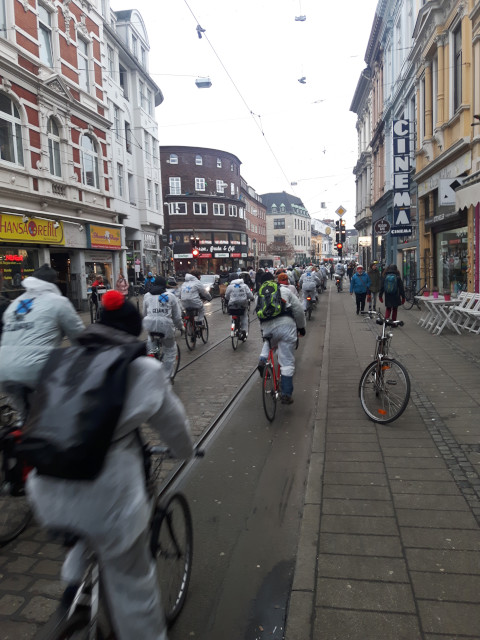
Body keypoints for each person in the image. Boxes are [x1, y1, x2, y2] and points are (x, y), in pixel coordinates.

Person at [26, 290, 193, 640]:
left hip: (46, 487)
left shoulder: (64, 358)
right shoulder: (142, 368)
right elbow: (174, 425)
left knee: (78, 532)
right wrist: (185, 452)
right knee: (133, 586)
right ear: (134, 333)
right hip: (108, 499)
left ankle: (74, 591)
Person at [0, 264, 84, 422]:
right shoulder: (59, 302)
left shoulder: (15, 304)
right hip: (37, 370)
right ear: (53, 283)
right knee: (56, 417)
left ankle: (20, 436)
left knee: (25, 420)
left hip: (4, 370)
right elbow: (80, 338)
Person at [257, 272, 306, 405]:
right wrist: (301, 327)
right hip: (286, 326)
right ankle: (286, 393)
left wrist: (263, 330)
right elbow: (298, 310)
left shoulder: (260, 294)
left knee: (268, 341)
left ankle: (262, 360)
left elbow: (258, 313)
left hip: (268, 326)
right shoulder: (284, 290)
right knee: (287, 361)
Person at [142, 276, 183, 378]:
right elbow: (177, 317)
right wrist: (181, 327)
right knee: (170, 351)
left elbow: (144, 313)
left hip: (150, 326)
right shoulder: (171, 296)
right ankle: (166, 377)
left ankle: (152, 357)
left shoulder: (147, 295)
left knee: (152, 349)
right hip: (166, 327)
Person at [225, 275, 254, 339]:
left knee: (233, 315)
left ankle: (233, 325)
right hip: (242, 305)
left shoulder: (230, 286)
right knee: (244, 317)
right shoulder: (244, 286)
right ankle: (244, 330)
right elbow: (250, 295)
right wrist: (251, 298)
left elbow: (226, 296)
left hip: (232, 305)